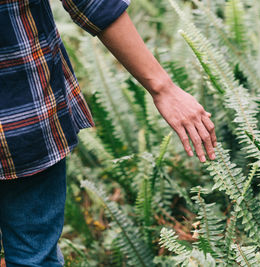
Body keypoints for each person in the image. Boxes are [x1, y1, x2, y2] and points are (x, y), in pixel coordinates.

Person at [0, 0, 217, 266]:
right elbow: (93, 4)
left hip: (24, 122)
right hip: (25, 117)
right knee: (32, 257)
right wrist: (164, 88)